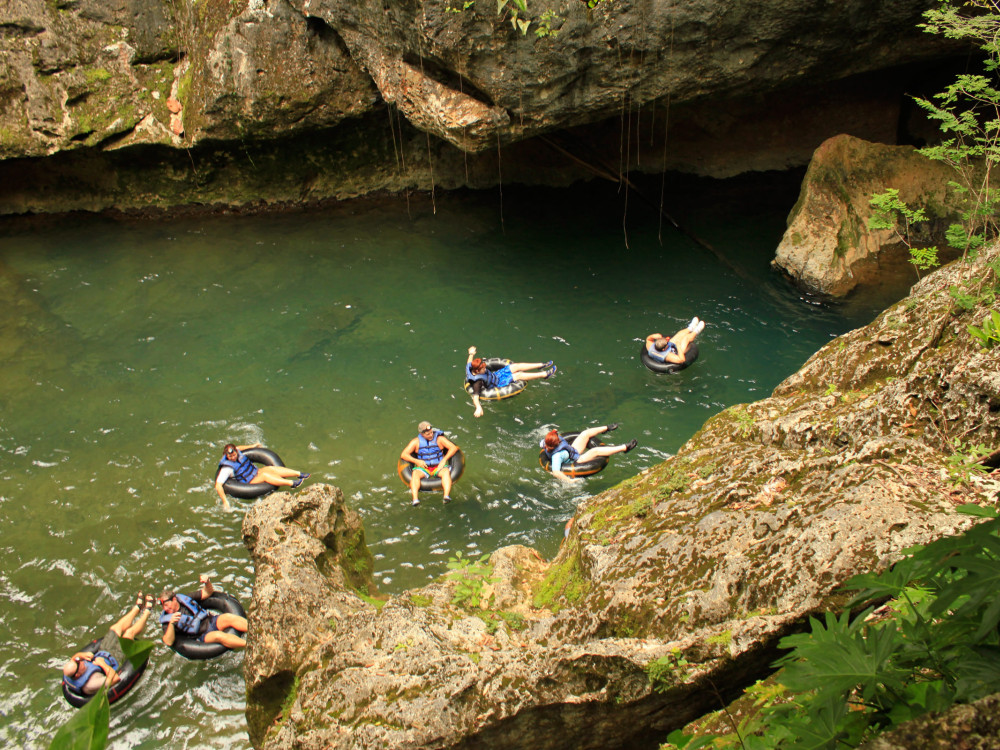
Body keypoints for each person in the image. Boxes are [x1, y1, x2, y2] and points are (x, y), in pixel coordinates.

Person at [62, 592, 154, 698]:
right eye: (80, 663)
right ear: (77, 674)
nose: (81, 662)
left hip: (103, 652)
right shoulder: (91, 683)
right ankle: (147, 611)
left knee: (115, 628)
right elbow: (115, 679)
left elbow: (74, 658)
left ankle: (137, 608)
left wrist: (82, 655)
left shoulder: (71, 670)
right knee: (129, 633)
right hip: (116, 659)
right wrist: (102, 664)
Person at [159, 574, 247, 650]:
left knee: (229, 617)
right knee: (218, 636)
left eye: (167, 605)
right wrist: (171, 624)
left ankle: (256, 631)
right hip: (201, 635)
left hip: (211, 621)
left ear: (174, 599)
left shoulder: (184, 599)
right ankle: (250, 645)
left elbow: (206, 592)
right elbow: (168, 641)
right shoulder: (167, 621)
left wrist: (207, 582)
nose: (165, 608)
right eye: (163, 607)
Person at [466, 345, 556, 418]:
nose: (485, 369)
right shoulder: (477, 382)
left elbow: (469, 362)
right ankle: (545, 375)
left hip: (497, 376)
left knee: (516, 366)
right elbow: (475, 397)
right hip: (497, 384)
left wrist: (471, 353)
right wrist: (478, 407)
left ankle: (541, 365)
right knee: (518, 375)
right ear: (477, 371)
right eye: (483, 369)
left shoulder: (471, 368)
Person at [215, 442, 310, 510]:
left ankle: (299, 474)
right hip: (247, 481)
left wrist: (253, 446)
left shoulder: (237, 452)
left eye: (234, 455)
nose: (233, 457)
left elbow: (239, 447)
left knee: (271, 469)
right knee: (265, 475)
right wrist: (224, 501)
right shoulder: (226, 469)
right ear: (226, 456)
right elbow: (218, 485)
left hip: (254, 472)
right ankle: (291, 483)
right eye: (230, 457)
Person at [541, 424, 638, 483]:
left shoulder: (549, 440)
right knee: (596, 451)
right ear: (556, 443)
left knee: (585, 434)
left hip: (572, 451)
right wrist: (569, 481)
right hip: (576, 461)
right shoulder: (557, 456)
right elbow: (556, 472)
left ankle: (607, 428)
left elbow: (554, 431)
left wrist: (554, 431)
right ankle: (625, 448)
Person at [400, 421, 461, 505]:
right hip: (424, 467)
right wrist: (416, 461)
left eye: (431, 432)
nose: (431, 435)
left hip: (438, 466)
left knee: (446, 472)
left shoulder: (440, 439)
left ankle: (446, 496)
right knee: (415, 473)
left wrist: (444, 460)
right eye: (428, 434)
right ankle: (415, 499)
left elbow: (453, 448)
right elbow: (404, 454)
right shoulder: (416, 442)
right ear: (422, 434)